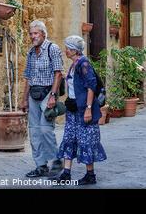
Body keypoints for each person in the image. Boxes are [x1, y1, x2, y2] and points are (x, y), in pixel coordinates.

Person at [51, 35, 107, 185]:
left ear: (74, 50)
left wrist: (88, 109)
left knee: (86, 140)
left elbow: (91, 86)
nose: (66, 50)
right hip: (73, 109)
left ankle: (90, 175)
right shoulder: (74, 64)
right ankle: (66, 173)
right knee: (69, 138)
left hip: (83, 109)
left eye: (68, 48)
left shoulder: (84, 64)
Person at [21, 20, 65, 178]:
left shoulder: (52, 49)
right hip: (33, 94)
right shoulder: (31, 52)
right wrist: (24, 99)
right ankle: (41, 166)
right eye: (31, 33)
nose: (33, 36)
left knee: (46, 129)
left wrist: (53, 95)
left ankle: (56, 162)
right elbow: (28, 77)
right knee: (34, 131)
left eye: (36, 33)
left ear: (43, 34)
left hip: (48, 93)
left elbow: (58, 73)